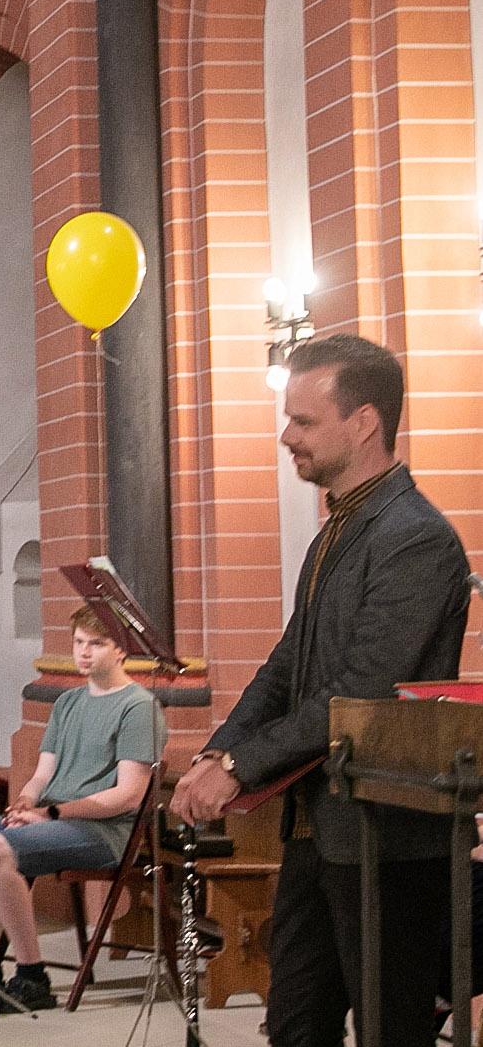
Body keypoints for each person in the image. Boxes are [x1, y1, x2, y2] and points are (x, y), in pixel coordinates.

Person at [168, 335, 468, 1047]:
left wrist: (242, 764)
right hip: (317, 827)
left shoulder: (415, 538)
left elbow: (361, 689)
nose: (284, 436)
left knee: (388, 1029)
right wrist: (218, 751)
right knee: (296, 1024)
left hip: (387, 834)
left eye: (301, 421)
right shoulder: (337, 529)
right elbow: (285, 666)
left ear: (362, 421)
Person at [0, 608, 163, 1011]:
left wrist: (51, 814)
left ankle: (32, 976)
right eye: (78, 643)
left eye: (96, 644)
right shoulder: (68, 702)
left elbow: (127, 796)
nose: (85, 653)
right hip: (54, 821)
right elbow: (43, 775)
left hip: (105, 832)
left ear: (121, 650)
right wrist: (24, 803)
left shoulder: (138, 707)